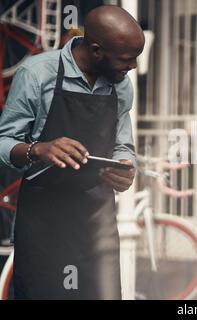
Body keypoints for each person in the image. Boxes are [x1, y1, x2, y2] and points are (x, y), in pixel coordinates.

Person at [0, 5, 145, 299]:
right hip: (44, 222)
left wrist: (125, 168)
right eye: (127, 60)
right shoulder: (37, 74)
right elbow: (4, 141)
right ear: (96, 50)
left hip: (97, 222)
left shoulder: (120, 86)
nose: (132, 67)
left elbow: (123, 145)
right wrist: (38, 149)